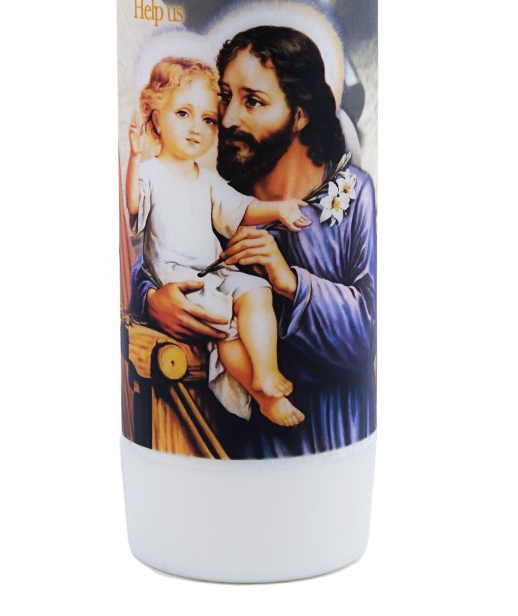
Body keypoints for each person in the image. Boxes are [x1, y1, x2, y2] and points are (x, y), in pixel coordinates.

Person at [129, 26, 377, 459]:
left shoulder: (352, 196)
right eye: (225, 99)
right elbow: (157, 250)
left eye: (253, 102)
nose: (226, 120)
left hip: (336, 436)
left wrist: (290, 282)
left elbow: (370, 335)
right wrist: (152, 300)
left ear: (299, 114)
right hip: (233, 446)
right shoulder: (218, 191)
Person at [126, 56, 312, 426]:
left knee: (256, 289)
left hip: (214, 271)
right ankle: (265, 398)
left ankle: (266, 371)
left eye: (208, 120)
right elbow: (131, 206)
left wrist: (279, 209)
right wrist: (133, 155)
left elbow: (241, 208)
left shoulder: (206, 178)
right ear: (155, 118)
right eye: (183, 114)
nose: (196, 128)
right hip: (180, 279)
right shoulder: (150, 173)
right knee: (226, 327)